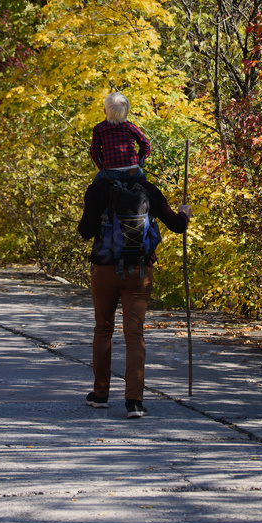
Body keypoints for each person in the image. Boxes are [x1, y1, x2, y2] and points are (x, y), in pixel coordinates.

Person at [78, 164, 191, 417]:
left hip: (105, 271)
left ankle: (100, 394)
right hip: (138, 272)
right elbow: (176, 226)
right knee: (134, 334)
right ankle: (135, 402)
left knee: (103, 329)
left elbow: (85, 231)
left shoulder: (97, 189)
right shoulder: (148, 189)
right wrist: (184, 213)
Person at [90, 92, 152, 180]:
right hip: (133, 171)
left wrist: (101, 166)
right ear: (127, 112)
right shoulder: (131, 127)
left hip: (110, 171)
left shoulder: (99, 128)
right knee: (149, 189)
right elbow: (147, 146)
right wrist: (139, 161)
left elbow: (94, 151)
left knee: (93, 190)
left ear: (104, 111)